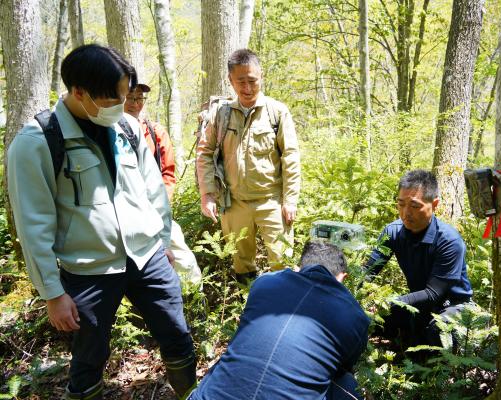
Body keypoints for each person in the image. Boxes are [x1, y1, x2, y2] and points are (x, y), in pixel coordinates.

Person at [7, 44, 196, 399]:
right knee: (89, 355)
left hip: (146, 255)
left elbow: (152, 191)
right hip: (88, 268)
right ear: (79, 92)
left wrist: (165, 242)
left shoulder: (127, 127)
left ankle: (192, 393)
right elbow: (34, 224)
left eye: (126, 94)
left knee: (176, 332)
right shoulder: (38, 141)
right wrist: (52, 293)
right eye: (113, 98)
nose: (122, 104)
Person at [187, 240, 370, 400]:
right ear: (342, 278)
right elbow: (341, 368)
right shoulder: (355, 316)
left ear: (298, 268)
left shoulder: (265, 282)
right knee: (347, 384)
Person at [196, 48, 301, 281]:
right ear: (230, 81)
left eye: (252, 81)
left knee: (283, 263)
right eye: (240, 82)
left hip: (272, 202)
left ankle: (282, 313)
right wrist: (208, 194)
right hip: (234, 203)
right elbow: (204, 153)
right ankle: (250, 307)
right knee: (242, 264)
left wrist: (290, 199)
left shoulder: (277, 112)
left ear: (261, 76)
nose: (247, 88)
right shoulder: (220, 114)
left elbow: (291, 157)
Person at [364, 170, 473, 355]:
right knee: (370, 321)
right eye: (401, 204)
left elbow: (433, 294)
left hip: (453, 305)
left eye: (415, 206)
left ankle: (440, 373)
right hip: (418, 303)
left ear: (435, 204)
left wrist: (388, 302)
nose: (406, 213)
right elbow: (367, 271)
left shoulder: (449, 240)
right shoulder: (393, 232)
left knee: (438, 331)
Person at [125, 83, 202, 285]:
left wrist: (161, 206)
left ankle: (195, 301)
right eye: (130, 98)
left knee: (184, 261)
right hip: (123, 216)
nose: (135, 104)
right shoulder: (107, 132)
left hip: (155, 211)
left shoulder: (155, 131)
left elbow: (168, 173)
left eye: (139, 99)